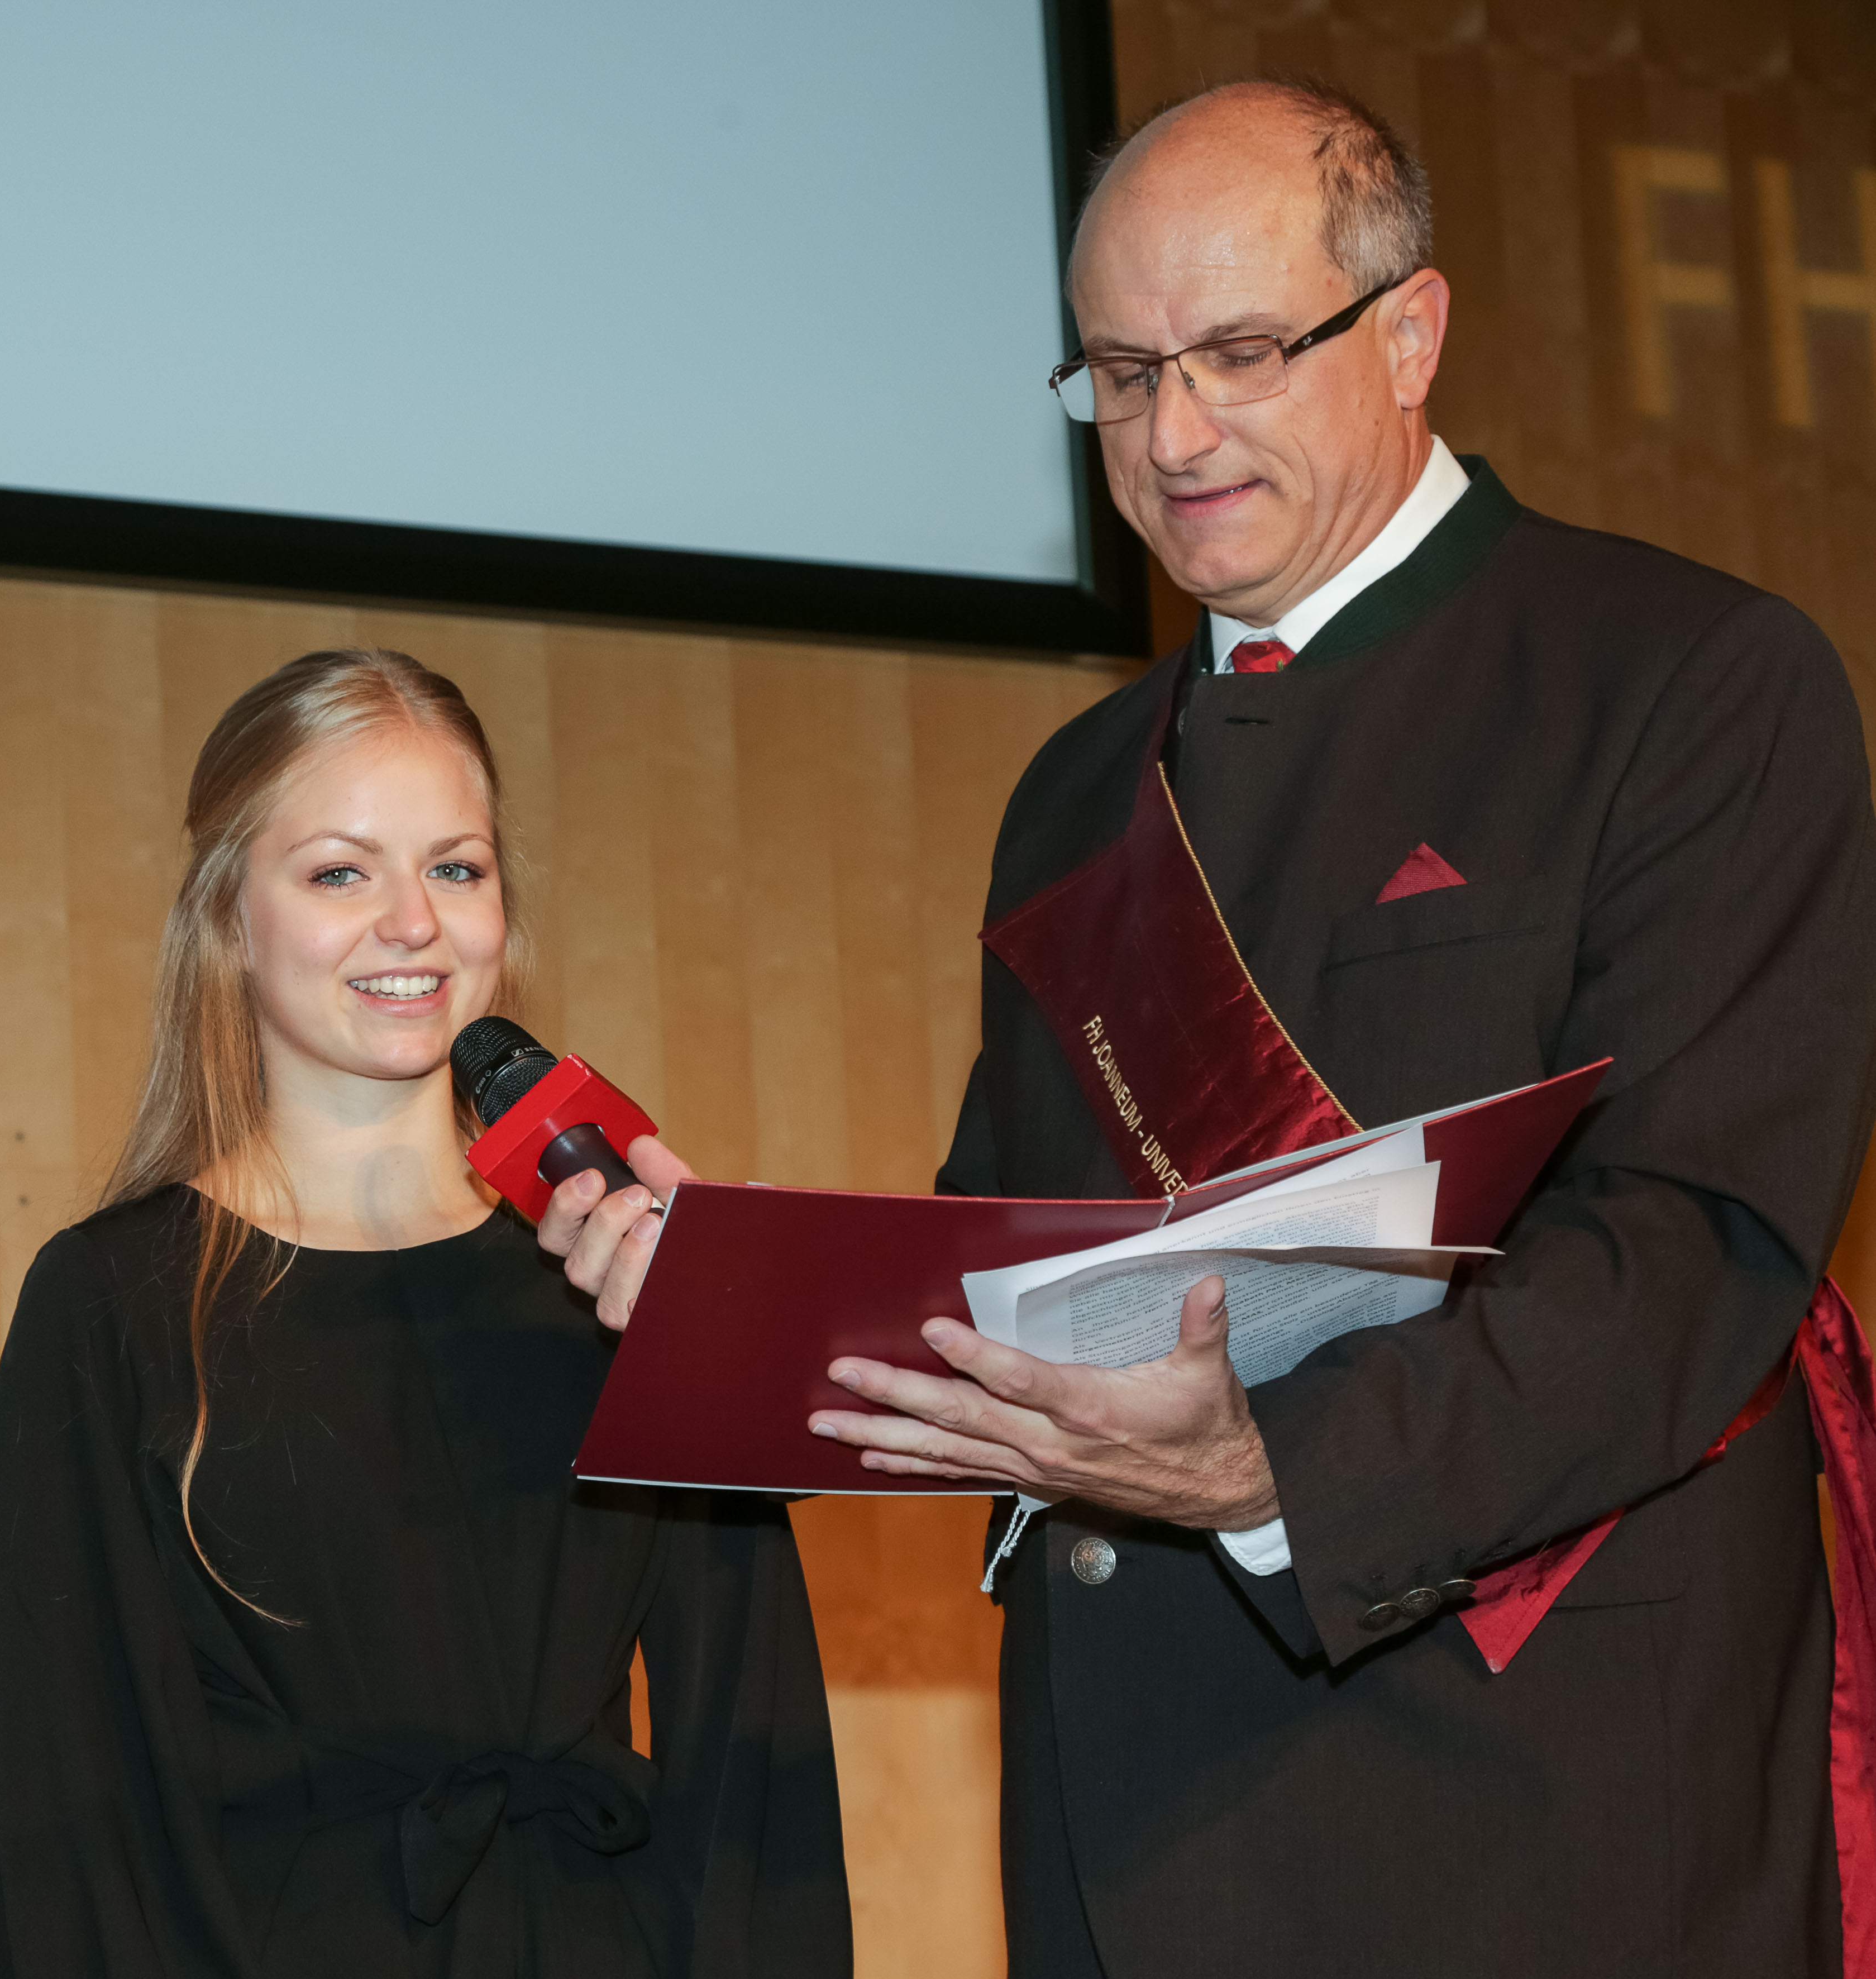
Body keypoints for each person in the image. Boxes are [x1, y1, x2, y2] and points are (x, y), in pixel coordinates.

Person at [543, 78, 1876, 1979]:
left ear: (1407, 332)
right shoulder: (1078, 790)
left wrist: (1273, 1472)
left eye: (1238, 353)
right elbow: (1001, 1271)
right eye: (1116, 370)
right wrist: (731, 1292)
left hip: (1534, 1812)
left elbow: (1689, 1254)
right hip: (1122, 1814)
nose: (1170, 434)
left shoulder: (1684, 683)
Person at [0, 649, 850, 1976]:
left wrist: (724, 1342)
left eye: (456, 866)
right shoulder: (112, 1304)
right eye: (340, 871)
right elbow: (65, 1817)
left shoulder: (612, 1270)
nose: (414, 922)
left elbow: (752, 1736)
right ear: (228, 916)